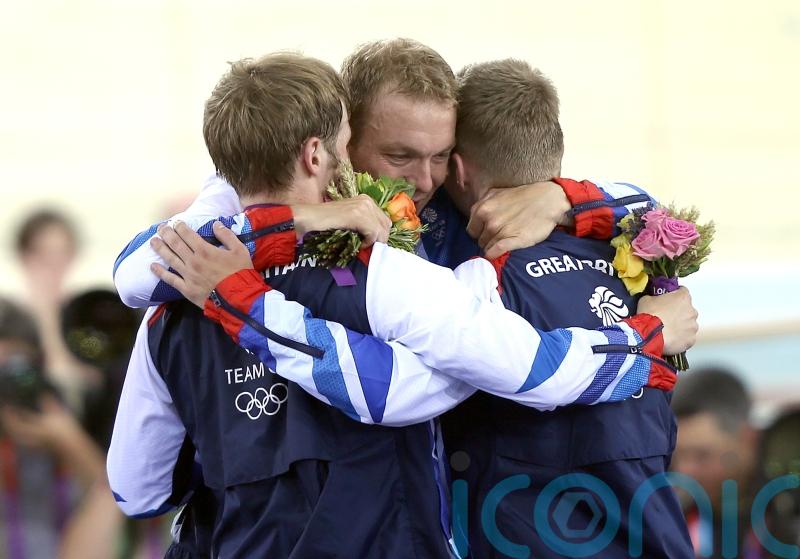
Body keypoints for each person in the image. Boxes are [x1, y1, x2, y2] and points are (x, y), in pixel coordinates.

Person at [108, 50, 696, 558]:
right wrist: (645, 337)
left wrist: (563, 196)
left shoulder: (170, 309)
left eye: (441, 156)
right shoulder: (390, 275)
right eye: (399, 155)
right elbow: (461, 381)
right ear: (331, 149)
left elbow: (138, 489)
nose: (425, 180)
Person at [0, 298, 122, 559]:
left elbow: (116, 502)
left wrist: (68, 441)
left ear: (39, 364)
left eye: (14, 370)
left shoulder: (67, 412)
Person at [671, 367, 765, 558]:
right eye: (677, 456)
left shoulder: (785, 515)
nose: (685, 471)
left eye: (702, 455)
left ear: (748, 440)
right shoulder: (673, 521)